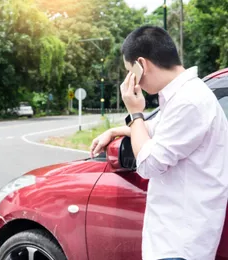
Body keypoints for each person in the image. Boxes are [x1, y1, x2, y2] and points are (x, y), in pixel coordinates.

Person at [90, 25, 228, 260]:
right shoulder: (185, 96)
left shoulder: (189, 101)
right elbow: (154, 129)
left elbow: (148, 164)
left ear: (141, 65)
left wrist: (135, 112)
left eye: (129, 70)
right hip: (176, 239)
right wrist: (115, 130)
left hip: (180, 245)